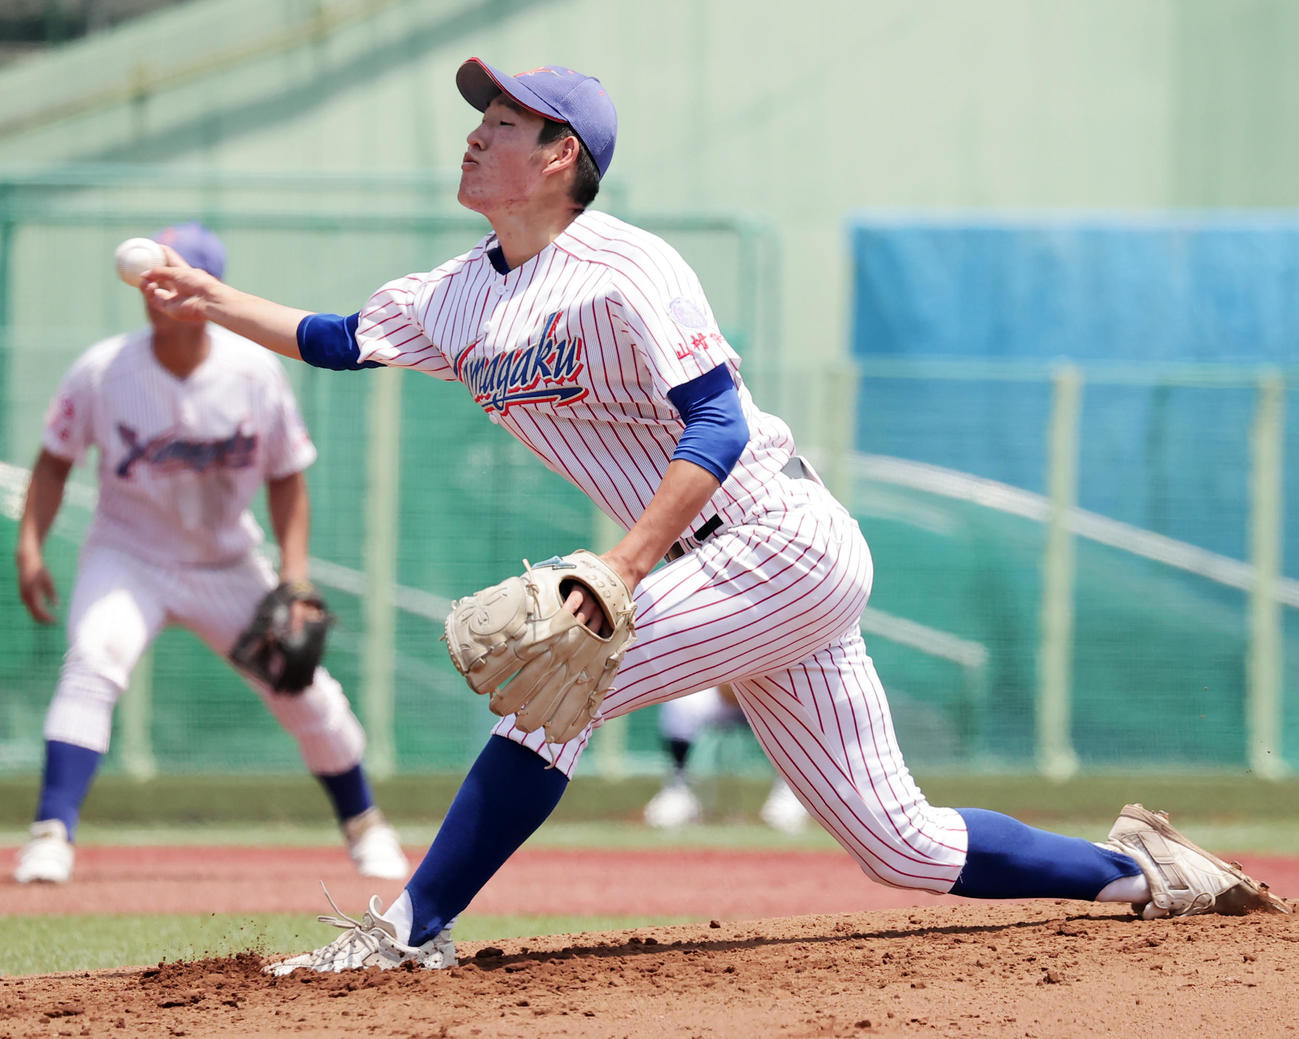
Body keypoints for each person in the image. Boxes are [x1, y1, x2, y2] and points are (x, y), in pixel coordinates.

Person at [140, 61, 1289, 972]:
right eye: (480, 115)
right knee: (903, 844)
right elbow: (343, 339)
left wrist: (620, 570)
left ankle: (403, 931)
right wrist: (212, 300)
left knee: (562, 679)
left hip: (779, 541)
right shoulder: (458, 292)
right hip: (729, 571)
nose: (476, 131)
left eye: (503, 119)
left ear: (560, 157)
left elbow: (721, 427)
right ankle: (1143, 874)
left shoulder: (629, 268)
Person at [12, 223, 408, 885]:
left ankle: (365, 824)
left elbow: (287, 476)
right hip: (128, 555)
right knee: (93, 660)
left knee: (306, 692)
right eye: (151, 280)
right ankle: (52, 831)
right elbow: (53, 463)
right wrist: (29, 547)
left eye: (174, 276)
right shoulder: (104, 369)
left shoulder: (253, 371)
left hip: (226, 562)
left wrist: (294, 575)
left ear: (205, 288)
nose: (157, 291)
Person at [643, 686, 809, 834]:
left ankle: (791, 793)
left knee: (802, 703)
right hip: (723, 697)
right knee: (681, 703)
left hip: (773, 697)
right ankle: (677, 789)